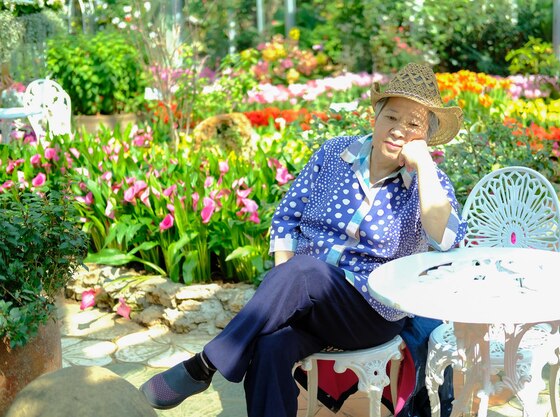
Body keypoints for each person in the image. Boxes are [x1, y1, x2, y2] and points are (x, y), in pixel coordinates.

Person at [140, 63, 467, 417]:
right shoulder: (333, 154)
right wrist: (286, 291)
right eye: (391, 117)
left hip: (370, 312)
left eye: (413, 124)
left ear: (426, 136)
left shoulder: (427, 182)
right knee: (270, 345)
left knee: (307, 272)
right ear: (375, 117)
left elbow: (447, 240)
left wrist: (424, 164)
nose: (399, 130)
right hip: (307, 300)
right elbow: (286, 218)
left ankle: (203, 366)